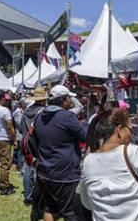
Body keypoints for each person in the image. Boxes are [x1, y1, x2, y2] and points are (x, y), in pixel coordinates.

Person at [81, 108, 138, 221]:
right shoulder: (132, 152)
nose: (130, 135)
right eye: (130, 130)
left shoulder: (88, 161)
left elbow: (87, 203)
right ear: (119, 130)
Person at [34, 85, 88, 221]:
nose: (70, 100)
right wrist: (86, 124)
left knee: (51, 209)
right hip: (65, 174)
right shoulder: (67, 116)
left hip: (45, 171)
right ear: (64, 99)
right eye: (69, 97)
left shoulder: (40, 116)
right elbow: (85, 136)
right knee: (71, 212)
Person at [22, 88, 48, 211]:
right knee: (41, 171)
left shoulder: (26, 111)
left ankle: (27, 196)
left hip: (27, 142)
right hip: (39, 142)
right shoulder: (43, 112)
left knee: (27, 169)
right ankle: (39, 196)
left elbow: (22, 128)